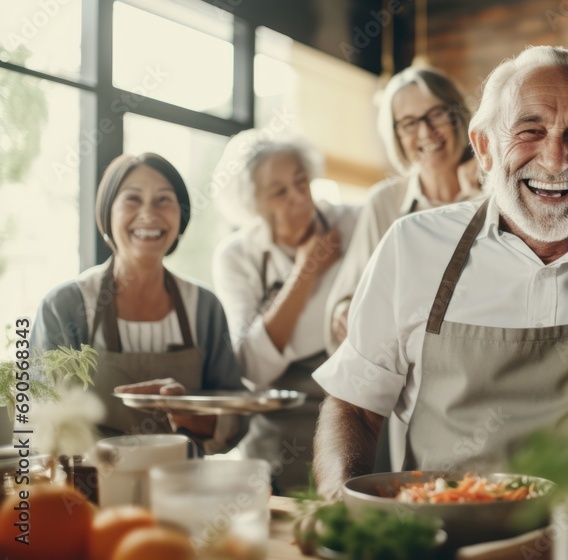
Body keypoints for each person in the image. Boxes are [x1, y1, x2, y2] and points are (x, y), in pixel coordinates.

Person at [311, 46, 568, 499]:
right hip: (449, 535)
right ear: (485, 146)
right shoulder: (411, 246)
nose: (555, 159)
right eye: (531, 130)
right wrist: (339, 506)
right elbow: (354, 406)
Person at [31, 153, 246, 454]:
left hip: (183, 484)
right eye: (132, 199)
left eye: (164, 200)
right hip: (90, 488)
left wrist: (195, 417)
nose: (149, 214)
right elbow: (40, 417)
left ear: (180, 218)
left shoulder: (205, 307)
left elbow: (235, 411)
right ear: (107, 215)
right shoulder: (65, 306)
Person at [321, 66, 480, 471]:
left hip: (484, 366)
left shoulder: (495, 187)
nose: (425, 132)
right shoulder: (385, 203)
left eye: (436, 115)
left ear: (458, 115)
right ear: (396, 134)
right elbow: (345, 297)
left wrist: (485, 192)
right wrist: (344, 313)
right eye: (409, 123)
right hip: (414, 385)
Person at [211, 131, 359, 494]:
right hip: (275, 427)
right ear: (253, 204)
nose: (299, 199)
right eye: (279, 192)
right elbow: (253, 367)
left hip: (350, 411)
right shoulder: (237, 257)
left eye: (301, 182)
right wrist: (307, 270)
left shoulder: (355, 223)